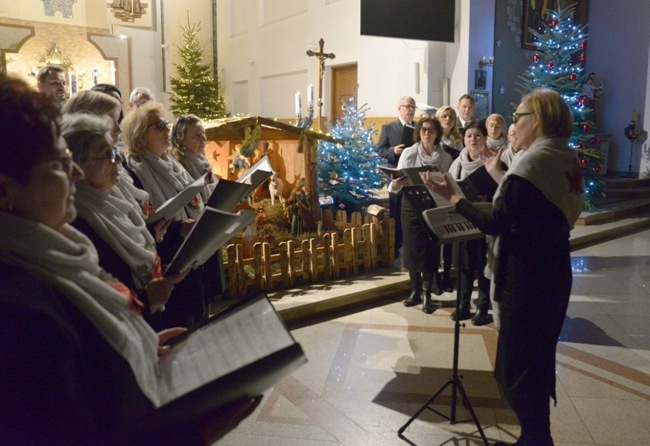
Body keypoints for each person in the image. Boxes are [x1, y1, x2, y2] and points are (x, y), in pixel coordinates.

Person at [0, 73, 259, 445]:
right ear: (5, 192)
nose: (75, 173)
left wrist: (133, 346)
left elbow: (85, 373)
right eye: (59, 165)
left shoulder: (59, 254)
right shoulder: (20, 312)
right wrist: (188, 438)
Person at [427, 88, 584, 446]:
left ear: (537, 121)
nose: (514, 123)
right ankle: (536, 435)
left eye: (518, 117)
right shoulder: (563, 156)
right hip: (553, 272)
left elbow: (499, 220)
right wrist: (499, 175)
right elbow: (532, 209)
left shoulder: (532, 164)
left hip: (526, 280)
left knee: (515, 370)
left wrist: (454, 197)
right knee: (538, 361)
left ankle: (535, 437)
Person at [388, 115, 452, 314]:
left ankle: (426, 294)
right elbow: (396, 182)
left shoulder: (446, 158)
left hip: (432, 206)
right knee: (412, 250)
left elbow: (448, 186)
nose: (426, 133)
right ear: (419, 132)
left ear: (437, 134)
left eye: (431, 130)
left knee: (431, 251)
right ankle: (414, 291)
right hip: (410, 205)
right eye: (423, 129)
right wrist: (395, 185)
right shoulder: (408, 153)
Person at [447, 120, 494, 326]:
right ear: (463, 139)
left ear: (484, 139)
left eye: (477, 136)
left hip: (484, 222)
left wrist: (487, 199)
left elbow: (503, 192)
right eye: (468, 136)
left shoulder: (492, 162)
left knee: (484, 266)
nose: (472, 140)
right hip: (462, 220)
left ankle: (482, 308)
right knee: (464, 266)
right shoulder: (457, 164)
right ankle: (464, 305)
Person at [377, 96, 416, 257]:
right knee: (396, 210)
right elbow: (380, 150)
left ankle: (410, 244)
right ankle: (395, 246)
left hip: (413, 173)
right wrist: (393, 151)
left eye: (413, 107)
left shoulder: (419, 128)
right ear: (399, 108)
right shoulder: (388, 127)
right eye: (407, 106)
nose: (410, 110)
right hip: (395, 174)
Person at [434, 105, 463, 292]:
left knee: (450, 235)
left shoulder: (458, 140)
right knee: (437, 235)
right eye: (444, 116)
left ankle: (447, 275)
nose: (448, 119)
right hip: (436, 187)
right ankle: (436, 276)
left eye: (451, 117)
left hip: (452, 187)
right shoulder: (436, 139)